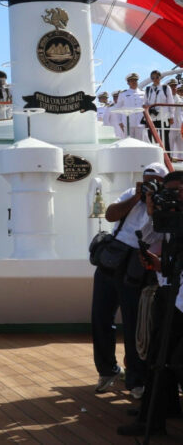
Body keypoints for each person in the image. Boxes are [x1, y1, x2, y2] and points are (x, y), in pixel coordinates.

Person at [92, 161, 168, 396]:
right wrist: (136, 198)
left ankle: (136, 379)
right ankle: (107, 370)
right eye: (146, 181)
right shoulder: (131, 195)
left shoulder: (166, 205)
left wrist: (153, 206)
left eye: (155, 182)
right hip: (112, 260)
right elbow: (111, 214)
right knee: (100, 318)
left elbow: (162, 233)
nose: (150, 185)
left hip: (137, 264)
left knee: (135, 324)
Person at [118, 170, 183, 436]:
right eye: (169, 192)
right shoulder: (167, 218)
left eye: (179, 191)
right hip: (171, 292)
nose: (174, 197)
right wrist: (154, 212)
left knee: (168, 358)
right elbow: (145, 238)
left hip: (178, 297)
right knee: (158, 357)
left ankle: (152, 420)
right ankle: (159, 412)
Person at [145, 69, 175, 153]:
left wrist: (171, 116)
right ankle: (154, 155)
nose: (155, 79)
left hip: (164, 117)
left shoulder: (165, 88)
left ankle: (167, 157)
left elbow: (170, 102)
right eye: (153, 78)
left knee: (164, 137)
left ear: (160, 77)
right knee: (151, 137)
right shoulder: (148, 89)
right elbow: (146, 103)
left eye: (157, 77)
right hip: (152, 117)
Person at [114, 73, 147, 140]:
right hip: (128, 123)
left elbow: (146, 108)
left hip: (140, 123)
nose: (134, 82)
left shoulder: (143, 93)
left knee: (141, 143)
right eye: (131, 81)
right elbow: (118, 109)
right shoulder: (123, 94)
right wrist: (119, 122)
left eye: (135, 80)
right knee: (128, 142)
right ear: (128, 83)